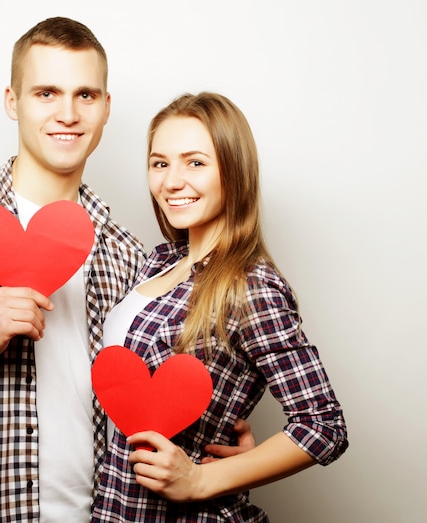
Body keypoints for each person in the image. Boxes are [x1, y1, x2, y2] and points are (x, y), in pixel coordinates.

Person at [0, 18, 254, 523]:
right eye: (46, 92)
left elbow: (158, 384)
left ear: (106, 108)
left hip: (110, 512)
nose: (67, 113)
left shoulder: (132, 255)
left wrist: (220, 451)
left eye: (85, 95)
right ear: (13, 101)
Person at [91, 92, 349, 522]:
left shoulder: (250, 286)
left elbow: (323, 426)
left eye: (195, 162)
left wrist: (204, 480)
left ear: (233, 170)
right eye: (160, 163)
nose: (171, 181)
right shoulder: (157, 262)